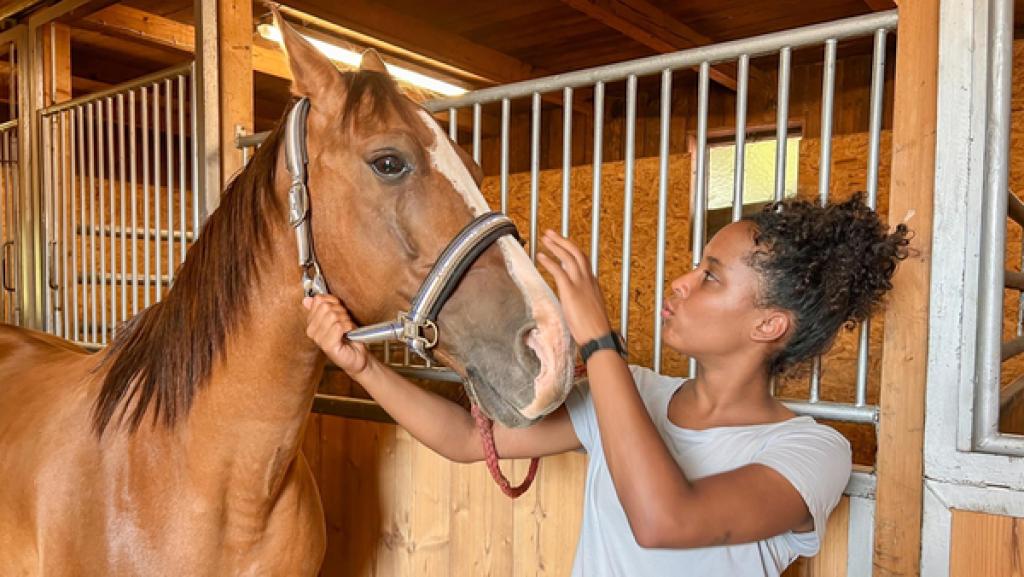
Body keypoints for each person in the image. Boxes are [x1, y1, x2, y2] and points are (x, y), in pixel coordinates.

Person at [303, 194, 909, 576]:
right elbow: (465, 438)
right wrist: (361, 367)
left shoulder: (811, 451)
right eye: (695, 265)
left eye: (710, 277)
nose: (679, 283)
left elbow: (664, 520)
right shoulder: (634, 391)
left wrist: (600, 342)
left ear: (769, 325)